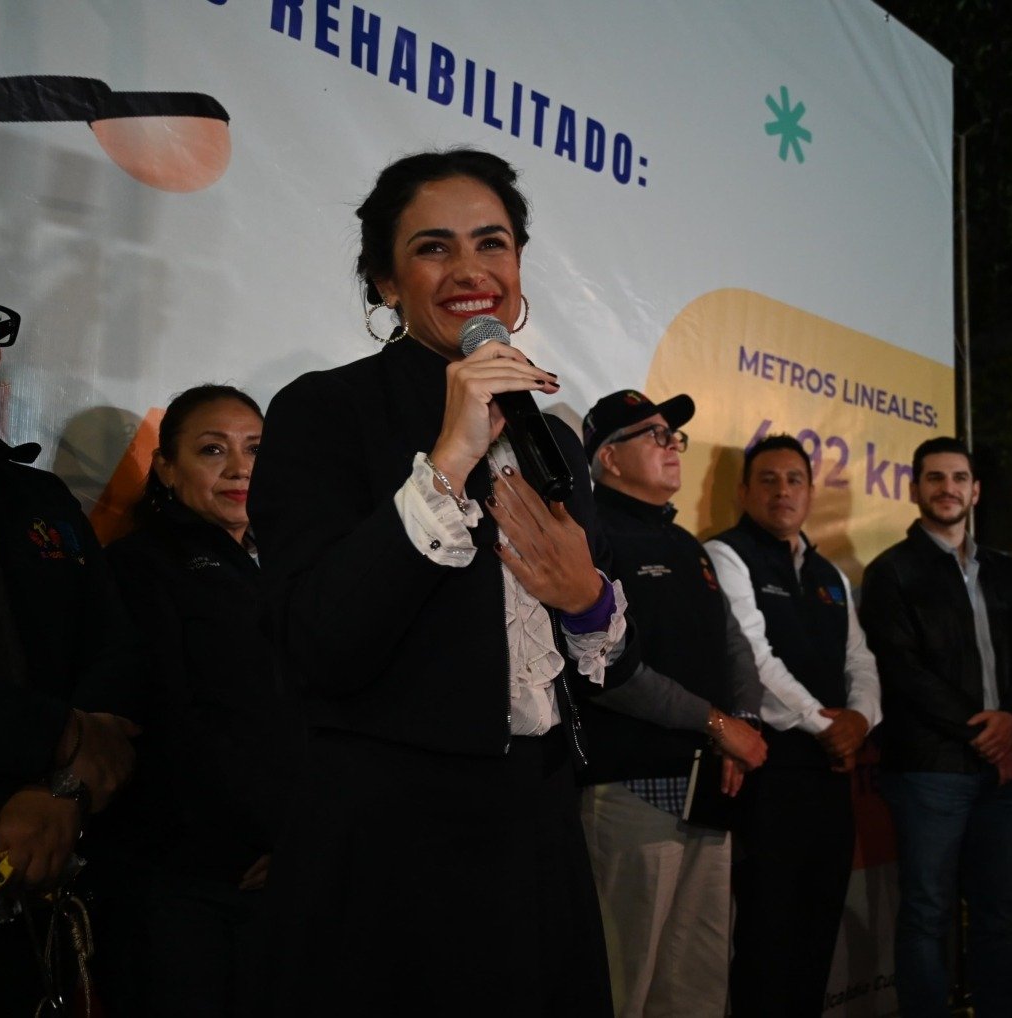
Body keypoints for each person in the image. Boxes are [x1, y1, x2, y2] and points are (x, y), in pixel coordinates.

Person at [247, 149, 638, 1017]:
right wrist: (450, 457)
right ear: (385, 282)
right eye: (434, 247)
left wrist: (587, 599)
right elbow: (317, 644)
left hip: (539, 826)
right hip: (389, 843)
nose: (470, 270)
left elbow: (608, 659)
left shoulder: (554, 438)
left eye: (492, 243)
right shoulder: (324, 410)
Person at [0, 273, 142, 1013]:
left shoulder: (36, 496)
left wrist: (62, 790)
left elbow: (115, 654)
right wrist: (58, 735)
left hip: (38, 880)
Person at [104, 384, 301, 1017]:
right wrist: (256, 839)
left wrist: (304, 836)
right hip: (189, 880)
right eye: (213, 450)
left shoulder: (296, 562)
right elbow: (169, 722)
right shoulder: (140, 567)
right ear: (165, 467)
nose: (240, 468)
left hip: (292, 869)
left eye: (255, 449)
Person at [577, 387, 769, 1017]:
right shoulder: (590, 537)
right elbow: (606, 669)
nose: (673, 446)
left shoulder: (687, 544)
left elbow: (735, 646)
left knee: (698, 986)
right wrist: (716, 724)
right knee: (622, 984)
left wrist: (741, 726)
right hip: (632, 790)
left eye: (674, 435)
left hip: (712, 790)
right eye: (654, 435)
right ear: (609, 458)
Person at [858, 436, 1012, 1017]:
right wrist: (988, 736)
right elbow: (902, 671)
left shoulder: (1006, 570)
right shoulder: (891, 572)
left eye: (959, 478)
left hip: (1006, 775)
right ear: (914, 488)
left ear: (976, 490)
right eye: (935, 478)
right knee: (927, 914)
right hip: (931, 770)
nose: (948, 488)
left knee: (999, 915)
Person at [704, 434, 882, 1017]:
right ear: (743, 492)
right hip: (769, 774)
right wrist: (823, 723)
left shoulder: (830, 573)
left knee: (816, 933)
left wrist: (861, 719)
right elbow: (753, 659)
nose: (783, 491)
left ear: (810, 493)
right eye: (768, 479)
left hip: (832, 775)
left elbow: (860, 660)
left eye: (794, 480)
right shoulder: (725, 555)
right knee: (766, 938)